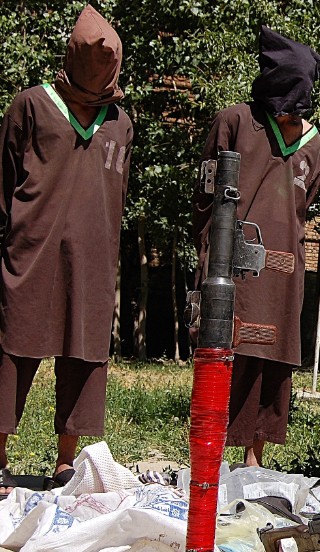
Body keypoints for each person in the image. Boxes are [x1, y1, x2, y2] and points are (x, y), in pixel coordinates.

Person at [0, 4, 132, 493]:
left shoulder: (119, 122)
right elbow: (5, 181)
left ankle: (66, 461)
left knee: (84, 356)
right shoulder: (30, 106)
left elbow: (116, 198)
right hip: (30, 251)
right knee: (13, 351)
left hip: (93, 258)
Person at [192, 26, 320, 468]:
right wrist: (210, 250)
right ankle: (217, 453)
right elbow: (206, 194)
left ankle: (256, 457)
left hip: (284, 265)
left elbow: (304, 205)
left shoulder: (312, 144)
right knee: (234, 352)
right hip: (234, 262)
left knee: (275, 360)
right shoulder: (235, 121)